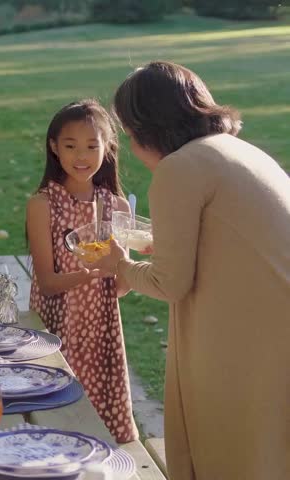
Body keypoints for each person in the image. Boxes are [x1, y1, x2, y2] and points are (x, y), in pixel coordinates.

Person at [96, 61, 290, 479]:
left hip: (253, 336)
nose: (131, 147)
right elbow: (231, 239)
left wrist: (121, 268)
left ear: (147, 128)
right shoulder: (240, 150)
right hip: (273, 321)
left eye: (129, 135)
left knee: (229, 448)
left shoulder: (179, 167)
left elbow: (170, 282)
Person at [26, 99, 138, 443]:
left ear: (108, 147)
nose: (81, 156)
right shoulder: (43, 204)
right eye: (71, 146)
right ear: (54, 147)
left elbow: (122, 287)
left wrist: (121, 264)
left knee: (103, 426)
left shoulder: (115, 207)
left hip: (101, 330)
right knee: (59, 418)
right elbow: (46, 284)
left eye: (92, 146)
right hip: (58, 326)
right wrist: (90, 273)